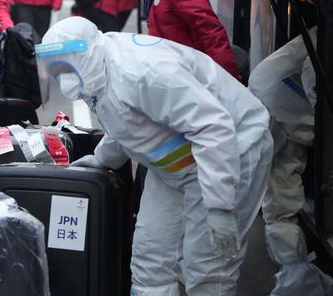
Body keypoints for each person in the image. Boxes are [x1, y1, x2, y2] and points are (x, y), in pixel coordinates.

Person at [37, 17, 273, 295]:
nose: (61, 74)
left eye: (64, 65)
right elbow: (126, 119)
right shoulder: (97, 69)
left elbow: (214, 128)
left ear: (82, 53)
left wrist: (219, 206)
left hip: (230, 152)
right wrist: (104, 158)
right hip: (177, 164)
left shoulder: (145, 72)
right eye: (55, 68)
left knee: (208, 265)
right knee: (151, 257)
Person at [248, 28, 333, 294]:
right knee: (272, 186)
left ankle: (294, 275)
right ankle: (295, 275)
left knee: (278, 190)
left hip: (284, 103)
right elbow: (316, 79)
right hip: (280, 105)